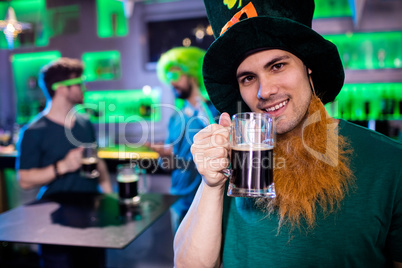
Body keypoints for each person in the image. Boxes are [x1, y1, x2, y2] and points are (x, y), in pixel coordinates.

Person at [173, 0, 402, 267]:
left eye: (277, 66)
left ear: (308, 66)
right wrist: (210, 185)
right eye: (248, 78)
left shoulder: (389, 164)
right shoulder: (235, 162)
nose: (265, 91)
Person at [16, 57, 112, 267]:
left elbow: (97, 161)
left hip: (91, 214)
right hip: (56, 219)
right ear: (61, 89)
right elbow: (24, 179)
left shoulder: (85, 123)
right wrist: (63, 166)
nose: (84, 88)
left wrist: (109, 196)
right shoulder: (33, 131)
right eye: (79, 83)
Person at [146, 47, 219, 234]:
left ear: (191, 73)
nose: (171, 82)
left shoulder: (214, 112)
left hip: (208, 198)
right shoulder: (175, 118)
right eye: (168, 77)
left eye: (175, 75)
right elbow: (171, 164)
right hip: (178, 200)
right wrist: (164, 155)